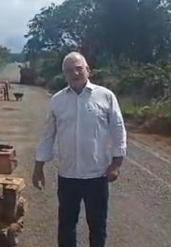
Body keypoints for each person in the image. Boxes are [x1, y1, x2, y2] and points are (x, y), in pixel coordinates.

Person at [32, 52, 127, 247]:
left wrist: (116, 164)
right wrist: (38, 167)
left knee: (98, 226)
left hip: (97, 176)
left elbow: (118, 129)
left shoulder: (105, 96)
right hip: (68, 177)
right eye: (69, 70)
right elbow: (47, 135)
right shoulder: (57, 100)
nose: (75, 73)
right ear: (64, 74)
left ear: (88, 70)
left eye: (79, 68)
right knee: (66, 226)